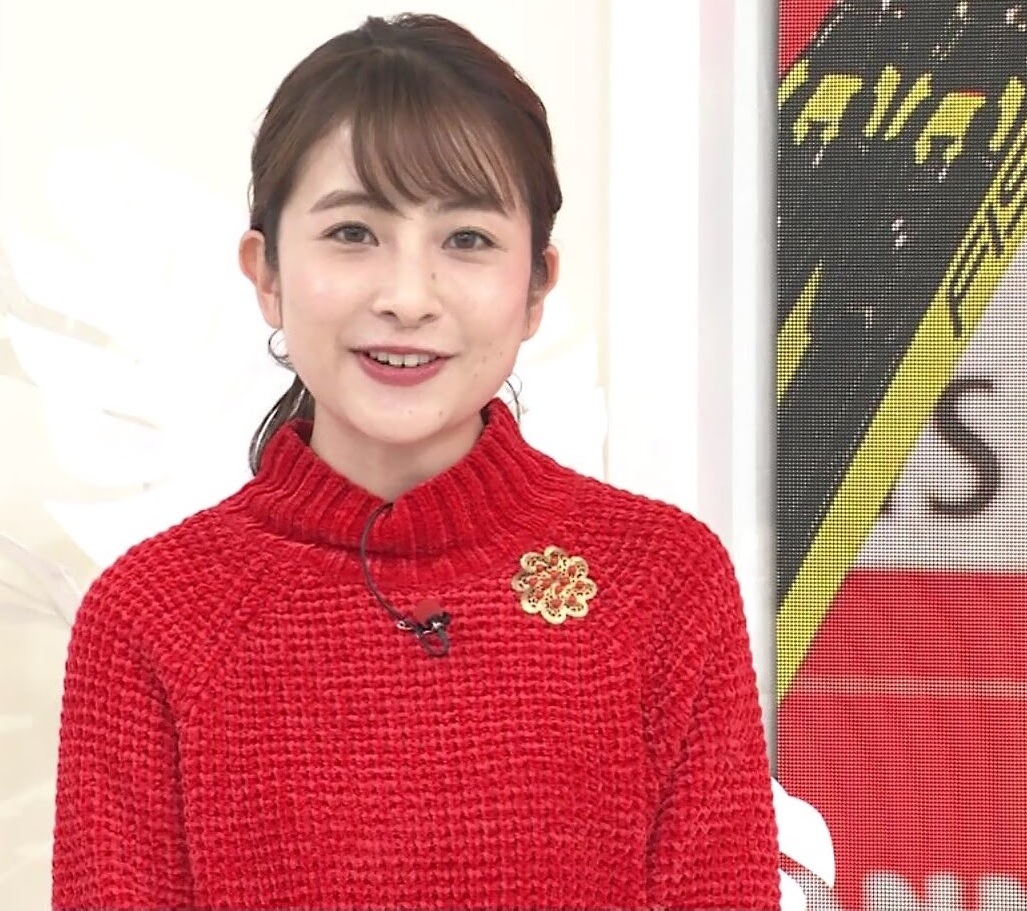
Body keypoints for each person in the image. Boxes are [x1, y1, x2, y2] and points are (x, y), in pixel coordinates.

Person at [51, 12, 779, 911]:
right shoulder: (152, 612)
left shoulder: (660, 577)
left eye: (466, 239)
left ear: (535, 287)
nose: (405, 297)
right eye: (353, 233)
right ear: (266, 272)